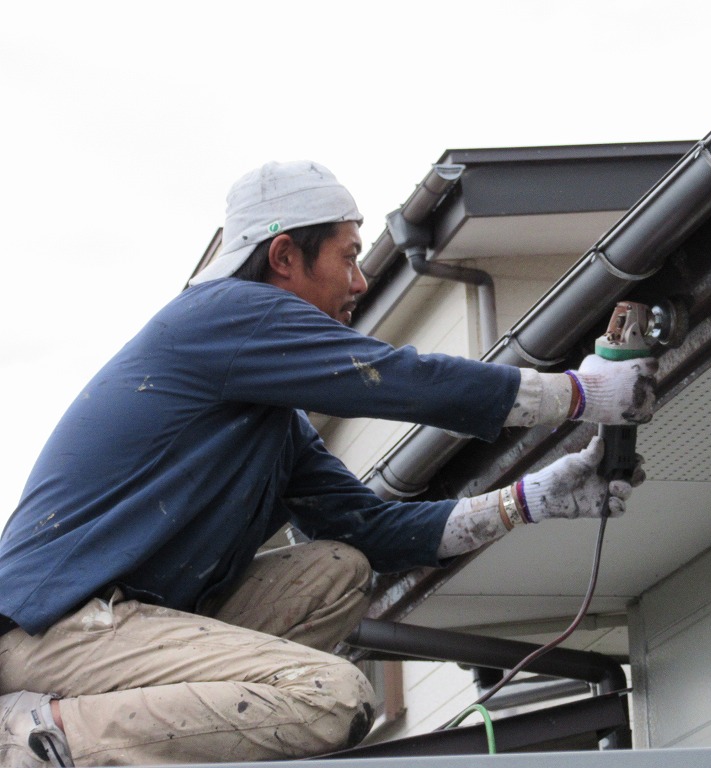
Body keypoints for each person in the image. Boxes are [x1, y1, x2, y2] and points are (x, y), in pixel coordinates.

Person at [0, 161, 656, 766]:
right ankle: (37, 738)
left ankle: (113, 735)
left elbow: (373, 531)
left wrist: (532, 498)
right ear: (284, 256)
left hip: (128, 628)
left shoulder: (269, 424)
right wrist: (578, 393)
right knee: (335, 697)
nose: (361, 281)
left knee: (339, 568)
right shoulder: (221, 316)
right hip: (56, 627)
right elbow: (397, 378)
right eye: (347, 257)